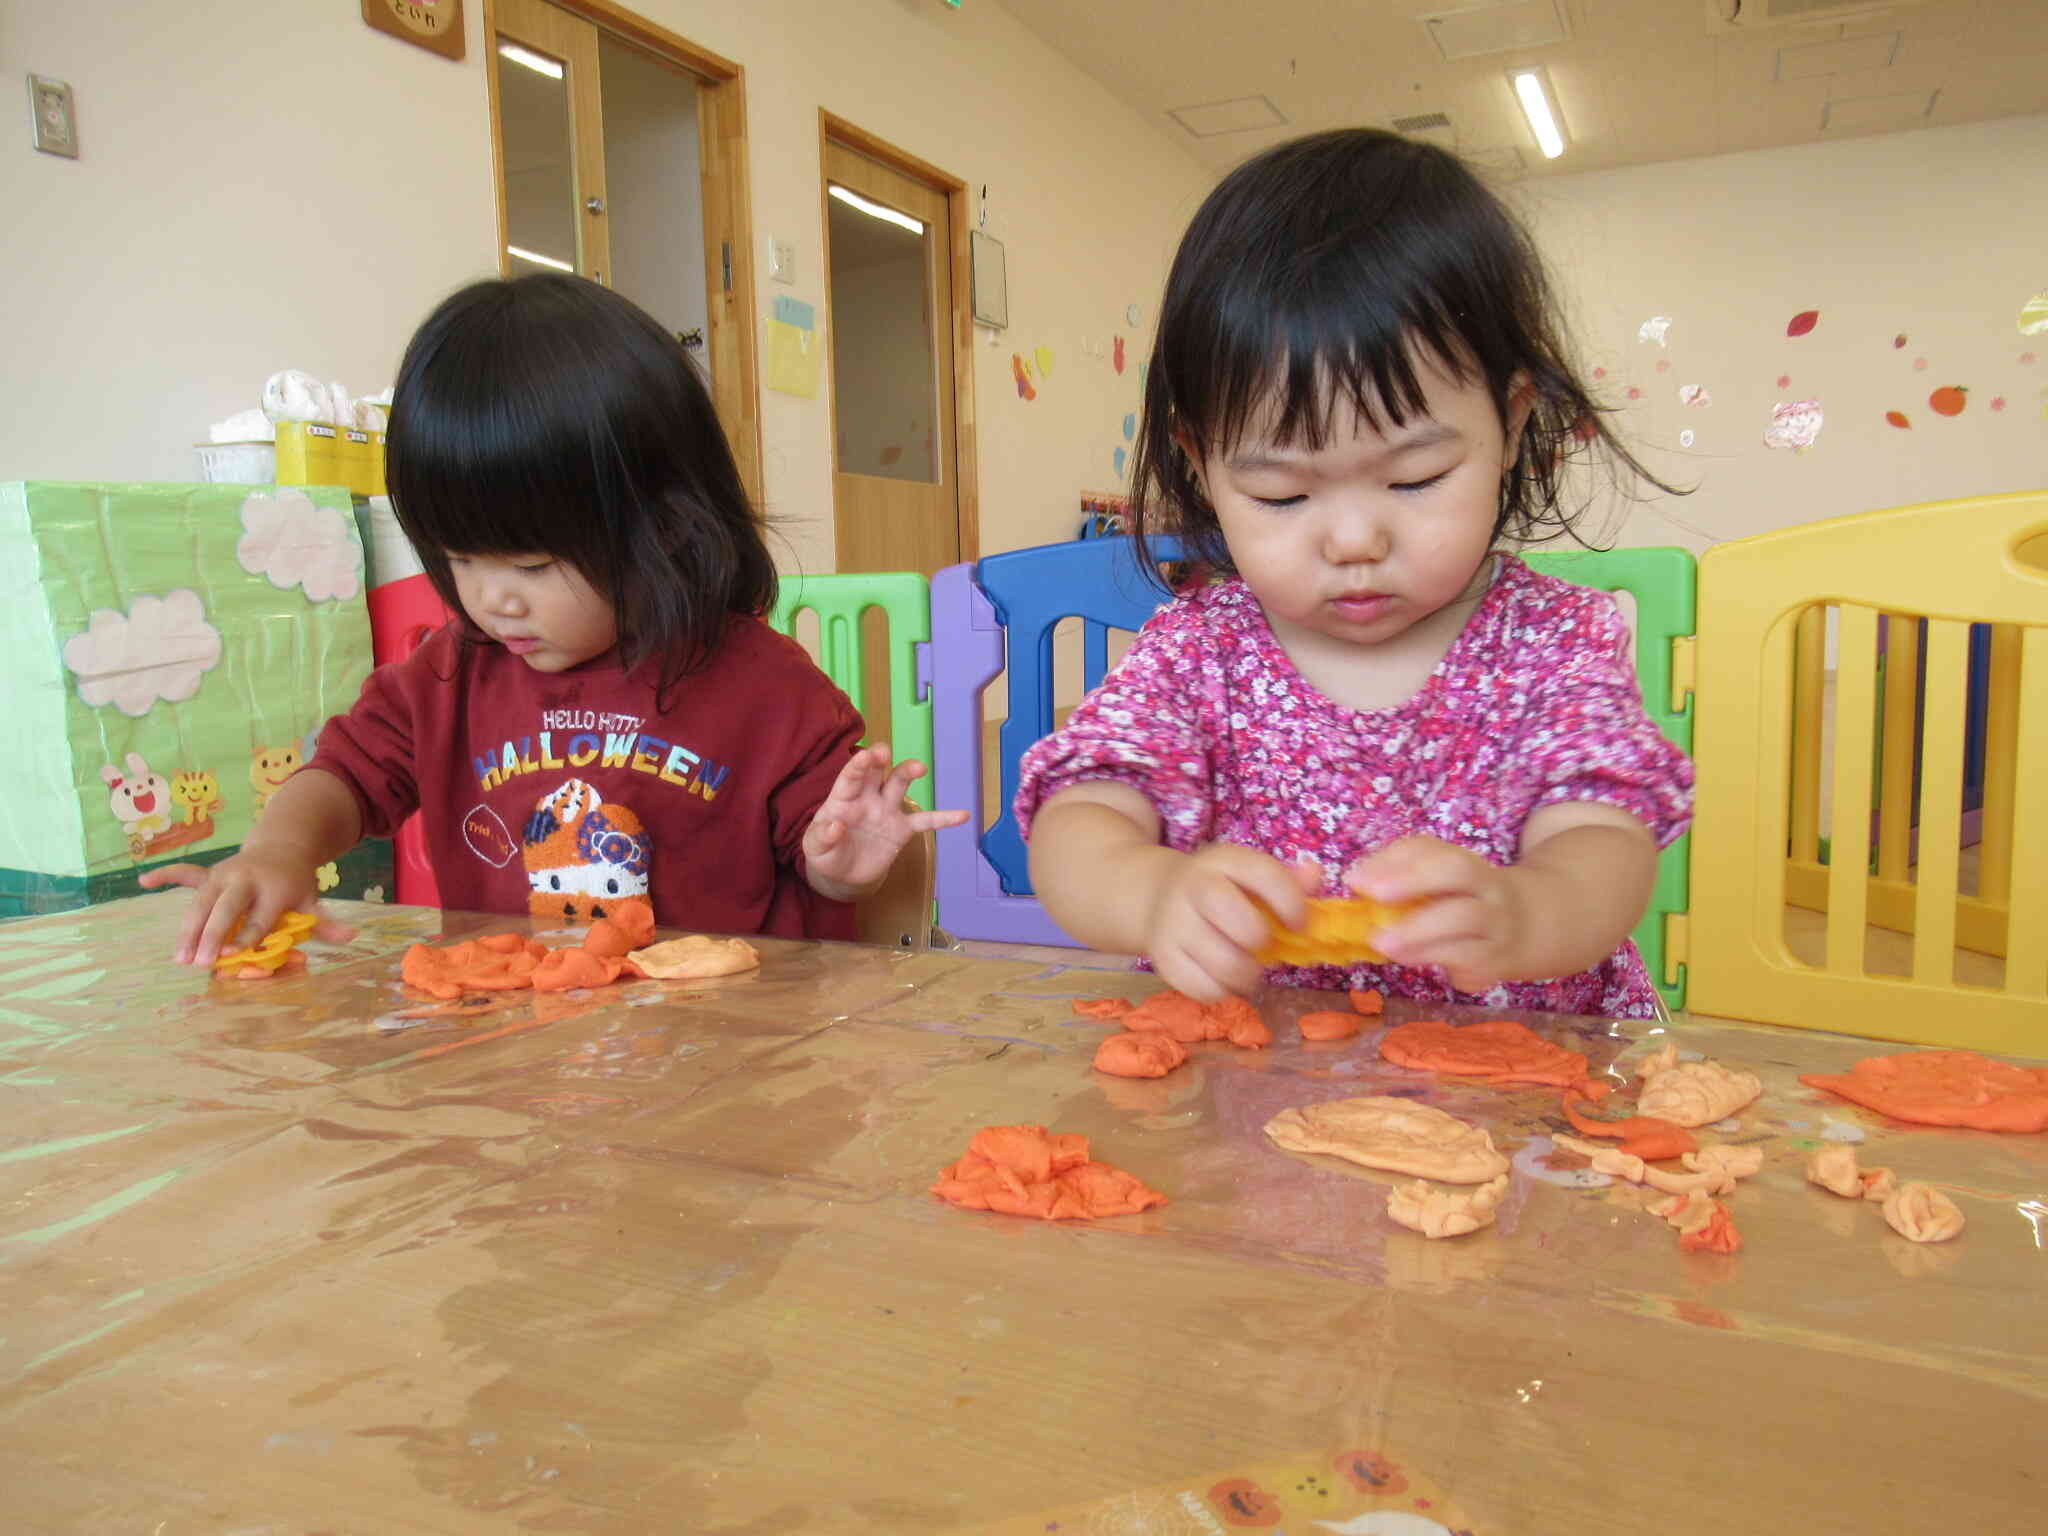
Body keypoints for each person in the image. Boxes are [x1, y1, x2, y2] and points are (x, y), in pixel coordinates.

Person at [1018, 129, 1693, 1020]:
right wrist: (1150, 895)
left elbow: (1605, 843)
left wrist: (1528, 912)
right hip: (1254, 1082)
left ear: (1512, 423)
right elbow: (1080, 819)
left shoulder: (1552, 643)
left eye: (1414, 480)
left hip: (1518, 1091)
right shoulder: (1199, 650)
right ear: (1202, 464)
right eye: (1282, 493)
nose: (1353, 540)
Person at [148, 273, 964, 965]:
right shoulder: (450, 671)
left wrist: (846, 869)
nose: (492, 599)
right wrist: (276, 852)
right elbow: (348, 773)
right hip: (522, 1051)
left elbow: (828, 866)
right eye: (461, 559)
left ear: (664, 524)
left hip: (728, 1061)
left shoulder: (769, 690)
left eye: (533, 566)